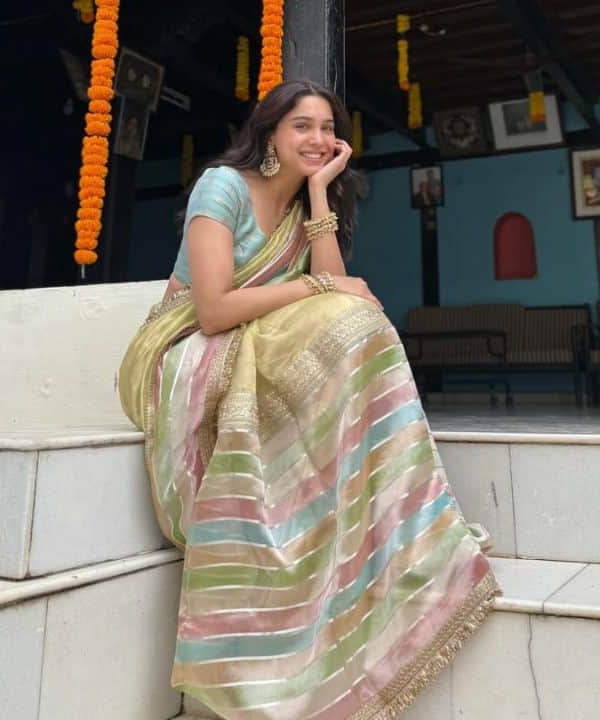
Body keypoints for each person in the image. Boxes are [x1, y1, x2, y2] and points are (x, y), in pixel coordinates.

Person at [118, 80, 497, 719]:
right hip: (182, 347)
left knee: (361, 323)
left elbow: (334, 290)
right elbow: (211, 310)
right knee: (347, 314)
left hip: (255, 335)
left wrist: (320, 193)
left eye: (328, 128)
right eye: (302, 126)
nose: (318, 139)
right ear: (269, 134)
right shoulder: (222, 186)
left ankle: (391, 520)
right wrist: (319, 284)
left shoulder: (303, 207)